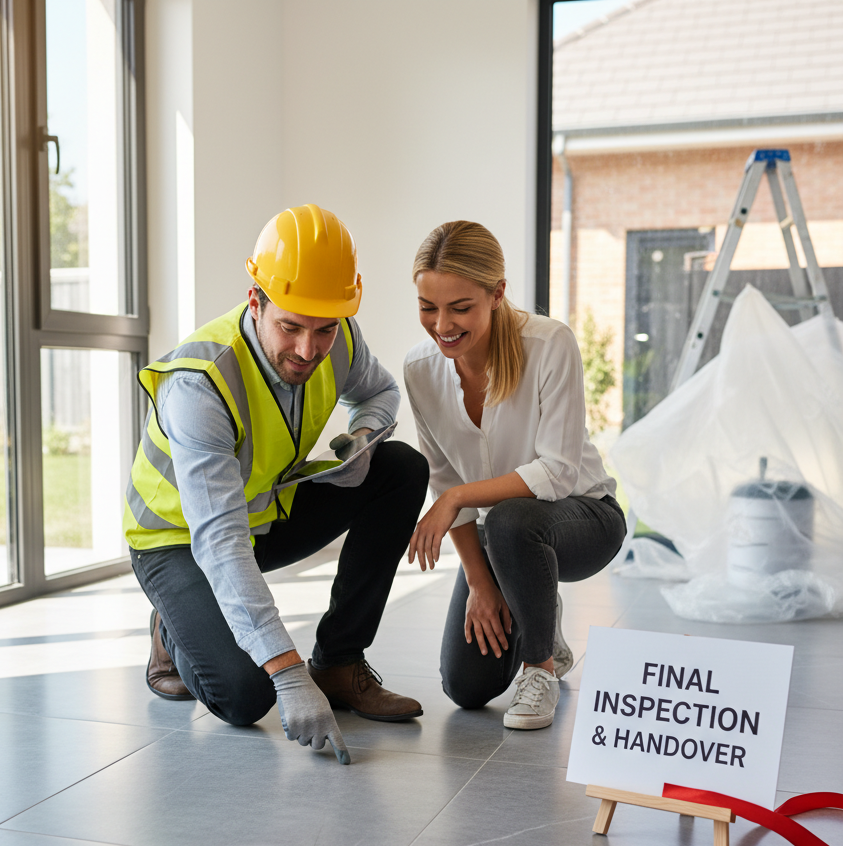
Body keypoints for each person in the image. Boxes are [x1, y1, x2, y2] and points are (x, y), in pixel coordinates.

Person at [125, 204, 428, 765]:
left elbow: (381, 393)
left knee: (400, 468)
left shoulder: (337, 337)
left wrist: (359, 440)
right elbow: (219, 542)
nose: (309, 351)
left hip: (263, 511)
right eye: (290, 327)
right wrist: (286, 673)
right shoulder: (200, 384)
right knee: (245, 695)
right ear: (256, 302)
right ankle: (172, 628)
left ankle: (338, 662)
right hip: (176, 540)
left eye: (323, 330)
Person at [403, 221, 626, 729]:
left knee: (508, 520)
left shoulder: (549, 344)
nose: (442, 325)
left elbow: (557, 471)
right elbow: (441, 478)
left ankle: (540, 667)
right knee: (466, 688)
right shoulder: (420, 370)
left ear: (497, 294)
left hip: (585, 519)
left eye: (460, 308)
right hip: (502, 534)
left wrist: (459, 497)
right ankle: (543, 614)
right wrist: (480, 583)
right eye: (427, 307)